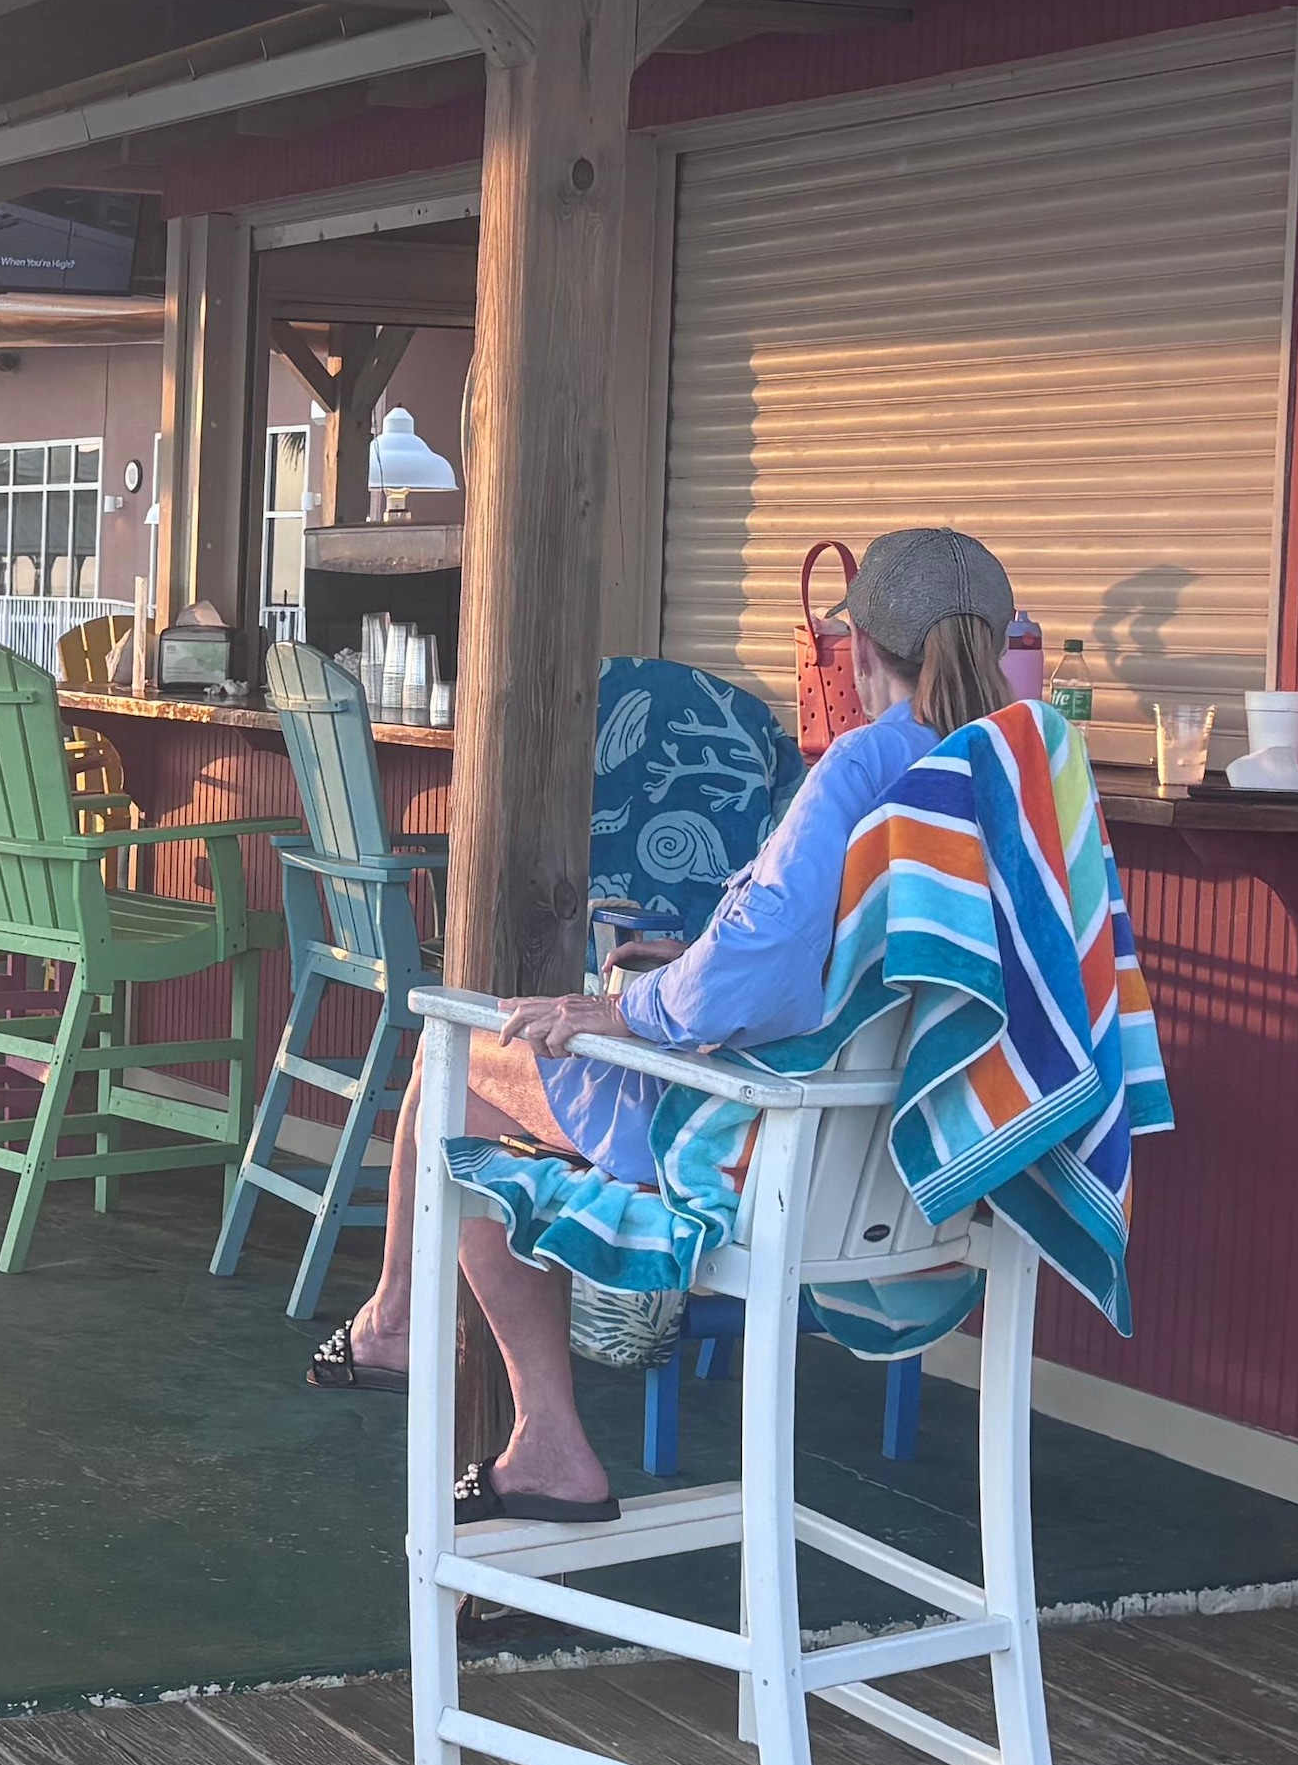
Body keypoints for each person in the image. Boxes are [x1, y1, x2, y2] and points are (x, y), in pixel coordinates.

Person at [314, 527, 1023, 1520]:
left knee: (457, 1069)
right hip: (937, 1168)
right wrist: (681, 981)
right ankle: (433, 1356)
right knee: (508, 1077)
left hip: (760, 1150)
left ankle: (449, 1366)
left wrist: (624, 1004)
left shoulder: (867, 764)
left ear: (855, 654)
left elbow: (754, 957)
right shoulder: (1026, 792)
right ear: (998, 646)